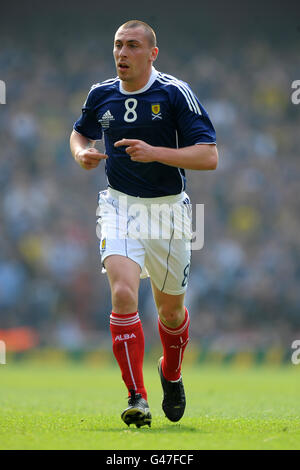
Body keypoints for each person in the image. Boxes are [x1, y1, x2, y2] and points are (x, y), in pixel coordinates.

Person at [70, 19, 218, 428]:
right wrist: (81, 152)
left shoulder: (173, 92)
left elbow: (209, 156)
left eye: (132, 45)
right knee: (122, 294)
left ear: (152, 53)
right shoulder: (100, 94)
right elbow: (79, 134)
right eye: (117, 45)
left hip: (168, 212)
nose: (122, 53)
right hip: (118, 208)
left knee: (170, 314)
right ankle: (137, 396)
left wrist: (155, 152)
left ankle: (171, 370)